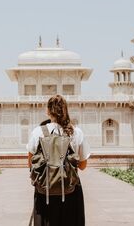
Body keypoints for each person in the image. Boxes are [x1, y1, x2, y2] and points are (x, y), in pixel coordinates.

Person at [27, 95, 90, 226]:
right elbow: (83, 165)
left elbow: (30, 163)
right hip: (70, 190)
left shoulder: (38, 132)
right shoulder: (76, 132)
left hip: (45, 191)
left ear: (48, 111)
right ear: (66, 110)